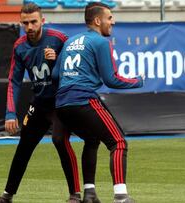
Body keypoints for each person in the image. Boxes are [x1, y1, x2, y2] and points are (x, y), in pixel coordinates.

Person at [0, 3, 85, 203]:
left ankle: (75, 195)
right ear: (21, 22)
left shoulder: (59, 38)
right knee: (23, 147)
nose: (30, 26)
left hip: (61, 102)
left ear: (42, 20)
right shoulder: (20, 46)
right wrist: (10, 113)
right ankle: (7, 196)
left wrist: (59, 58)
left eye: (34, 22)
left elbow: (77, 63)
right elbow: (14, 81)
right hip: (40, 104)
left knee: (60, 141)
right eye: (25, 23)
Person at [53, 2, 144, 203]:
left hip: (62, 104)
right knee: (118, 143)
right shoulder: (101, 43)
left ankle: (89, 193)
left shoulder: (70, 42)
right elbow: (112, 79)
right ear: (97, 20)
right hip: (83, 99)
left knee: (92, 139)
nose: (113, 22)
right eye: (109, 18)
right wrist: (138, 81)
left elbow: (55, 74)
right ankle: (121, 196)